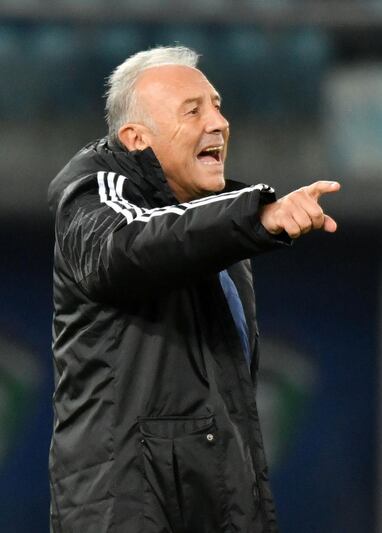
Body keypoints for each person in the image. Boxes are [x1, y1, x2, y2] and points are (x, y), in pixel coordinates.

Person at [47, 46, 339, 533]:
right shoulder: (93, 192)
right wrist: (254, 216)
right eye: (193, 110)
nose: (219, 122)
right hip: (123, 513)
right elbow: (127, 246)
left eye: (218, 105)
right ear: (136, 138)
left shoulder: (218, 227)